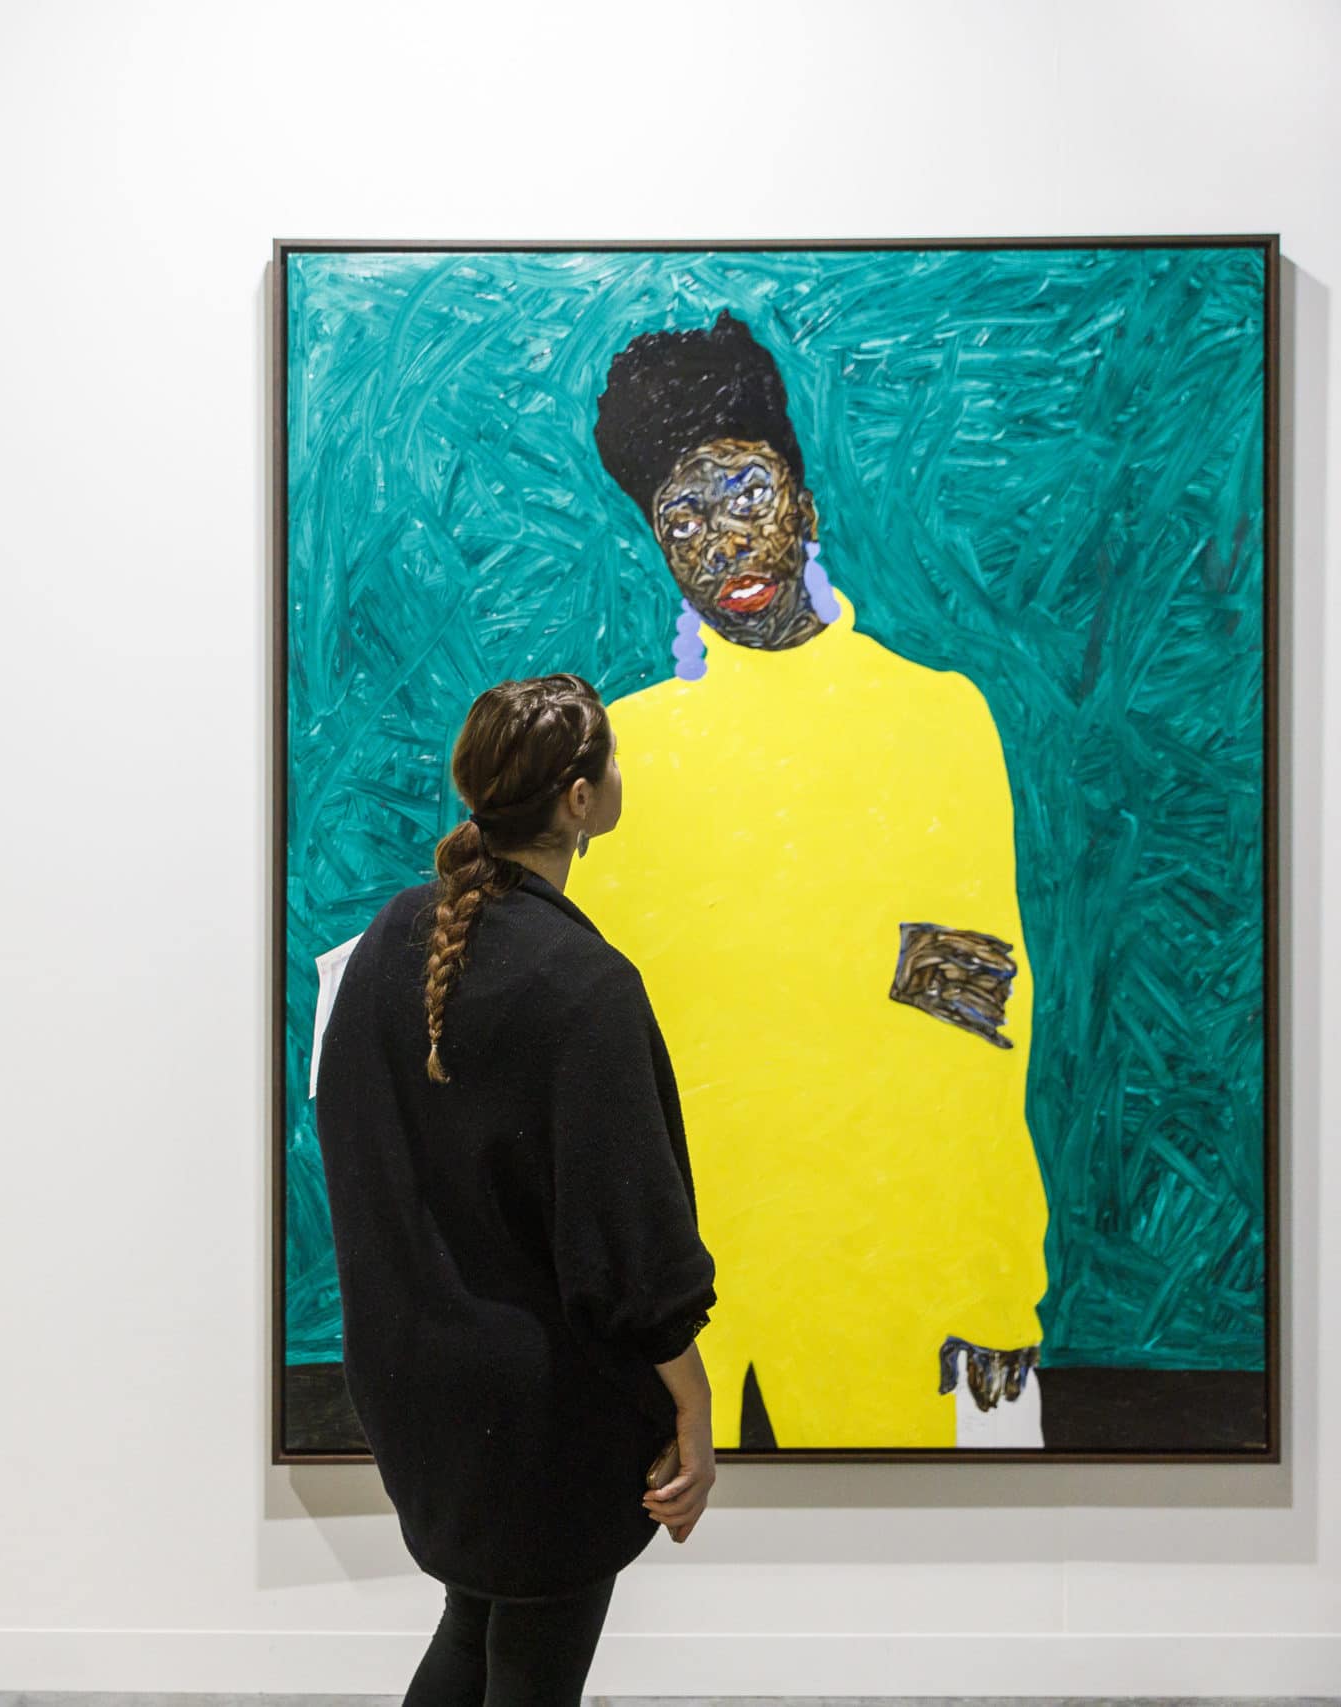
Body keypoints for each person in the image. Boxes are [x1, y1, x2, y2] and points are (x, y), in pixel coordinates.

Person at [580, 312, 1048, 1447]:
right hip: (683, 1281)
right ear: (655, 544)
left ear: (804, 502)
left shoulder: (930, 719)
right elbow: (597, 1047)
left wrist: (997, 1281)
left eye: (744, 493)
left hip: (886, 1263)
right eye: (680, 516)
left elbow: (973, 1002)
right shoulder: (623, 754)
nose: (721, 541)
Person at [315, 674, 717, 1707]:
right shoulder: (583, 986)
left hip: (416, 1387)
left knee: (479, 1622)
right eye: (610, 763)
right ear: (578, 802)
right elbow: (629, 1237)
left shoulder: (386, 944)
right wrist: (691, 1392)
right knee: (530, 1666)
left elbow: (359, 1158)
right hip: (542, 1415)